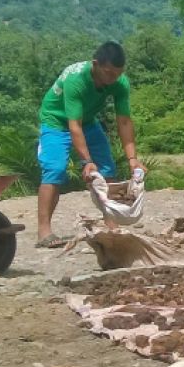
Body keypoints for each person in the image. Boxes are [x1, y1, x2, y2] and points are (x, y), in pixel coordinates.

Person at [35, 41, 145, 247]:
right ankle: (44, 232)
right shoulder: (76, 79)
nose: (114, 79)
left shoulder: (119, 82)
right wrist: (86, 161)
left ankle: (112, 226)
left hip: (87, 121)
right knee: (54, 170)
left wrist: (133, 159)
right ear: (95, 65)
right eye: (109, 73)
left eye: (118, 74)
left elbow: (124, 120)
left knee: (106, 170)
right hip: (56, 121)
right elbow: (73, 125)